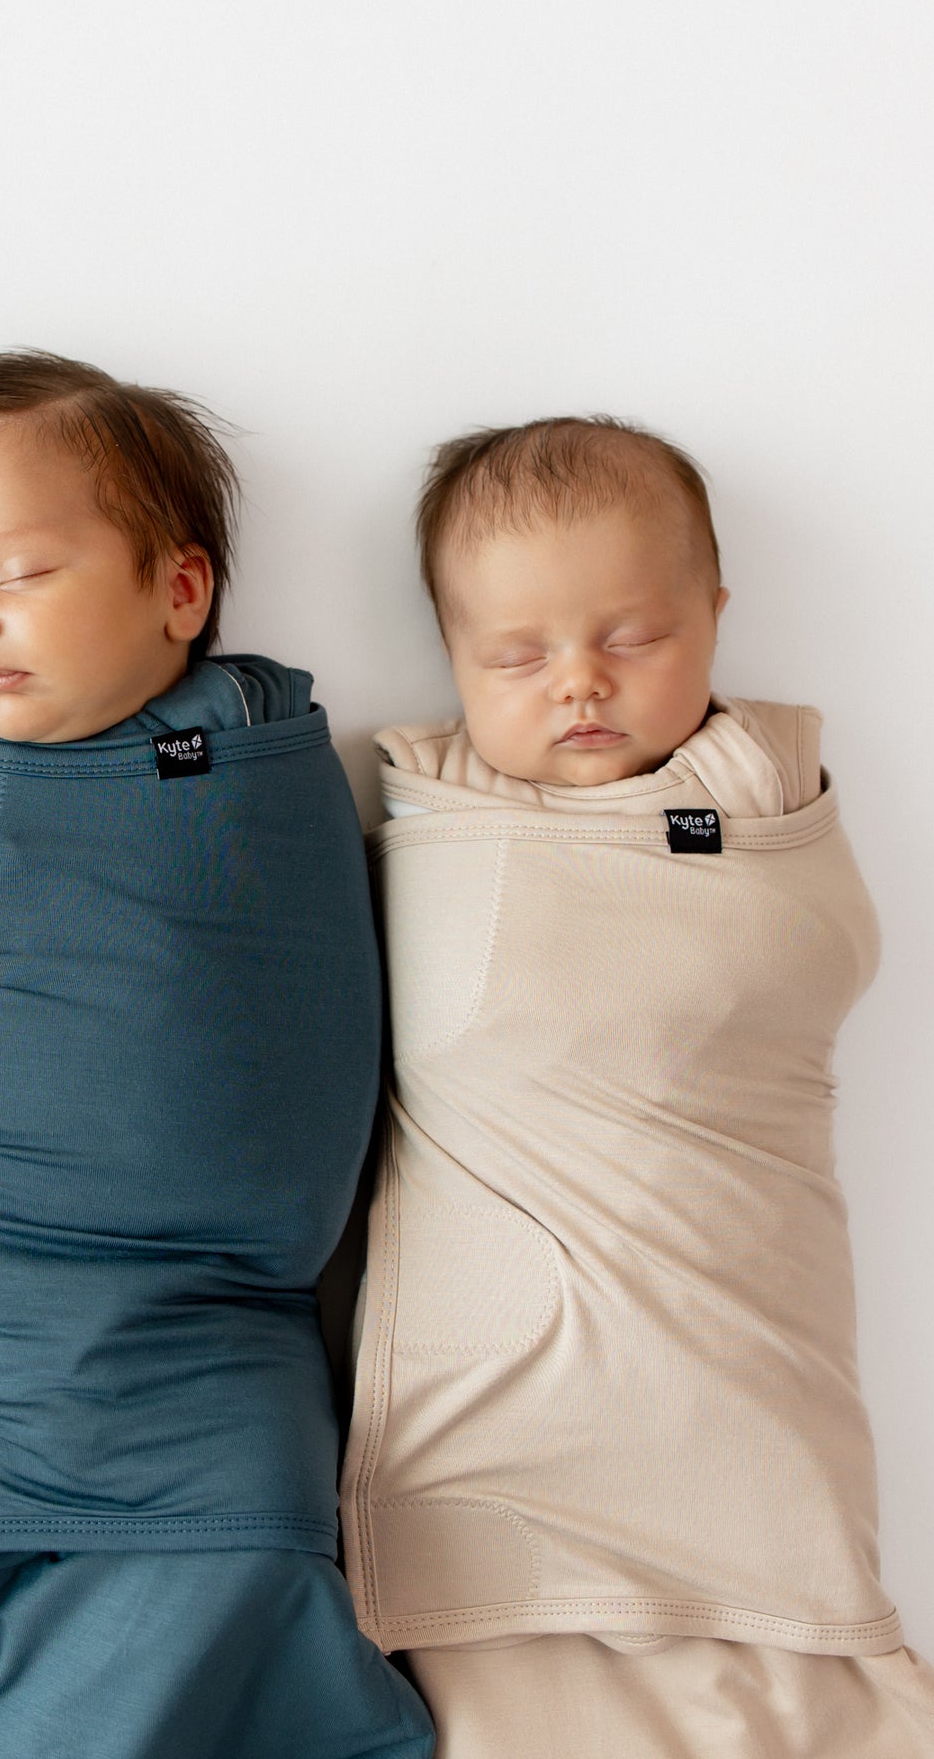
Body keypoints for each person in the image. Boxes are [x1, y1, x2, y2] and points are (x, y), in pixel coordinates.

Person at [0, 351, 434, 1759]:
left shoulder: (257, 770)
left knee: (223, 1624)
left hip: (198, 1418)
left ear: (179, 592)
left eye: (20, 575)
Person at [340, 416, 934, 1755]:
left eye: (633, 637)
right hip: (509, 1455)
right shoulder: (426, 820)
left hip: (745, 1385)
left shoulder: (764, 802)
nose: (579, 684)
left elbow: (810, 950)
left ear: (715, 614)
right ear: (450, 653)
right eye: (517, 655)